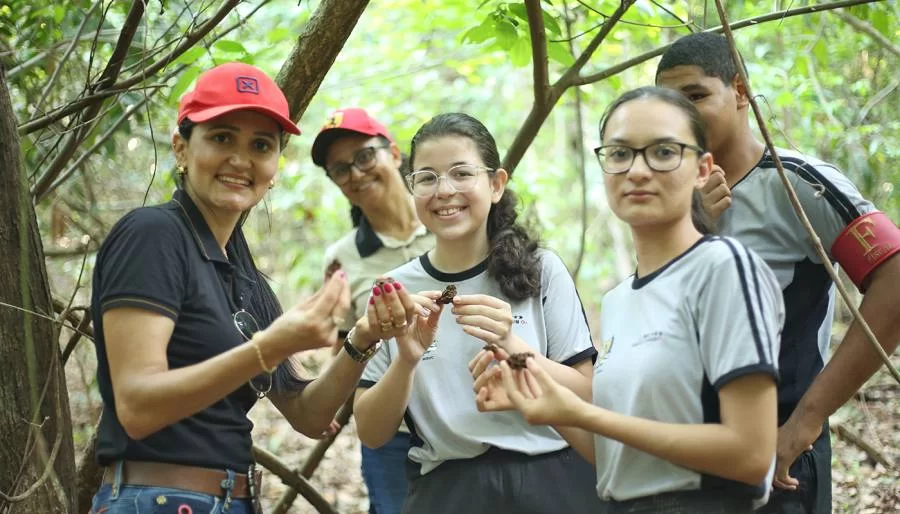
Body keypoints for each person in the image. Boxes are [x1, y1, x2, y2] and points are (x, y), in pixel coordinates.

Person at [88, 63, 386, 514]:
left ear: (274, 168)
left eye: (260, 145)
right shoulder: (152, 235)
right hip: (157, 500)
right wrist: (268, 347)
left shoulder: (243, 275)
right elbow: (136, 405)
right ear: (181, 148)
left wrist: (362, 339)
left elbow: (307, 414)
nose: (241, 160)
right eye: (222, 137)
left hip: (231, 501)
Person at [483, 86, 784, 514]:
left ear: (702, 169)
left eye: (663, 152)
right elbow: (618, 461)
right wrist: (538, 401)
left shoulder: (723, 268)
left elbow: (751, 455)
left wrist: (585, 414)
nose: (637, 171)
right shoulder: (620, 299)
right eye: (620, 154)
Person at [656, 32, 900, 514]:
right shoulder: (669, 201)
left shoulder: (800, 185)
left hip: (779, 453)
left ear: (741, 91)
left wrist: (807, 421)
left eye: (696, 96)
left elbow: (894, 277)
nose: (680, 116)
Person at [353, 113, 602, 514]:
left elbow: (588, 394)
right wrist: (406, 361)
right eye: (428, 178)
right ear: (412, 187)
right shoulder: (395, 287)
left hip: (554, 479)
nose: (444, 190)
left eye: (461, 173)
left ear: (496, 183)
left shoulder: (542, 269)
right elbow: (371, 430)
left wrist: (513, 347)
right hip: (447, 489)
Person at [310, 107, 434, 514]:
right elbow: (346, 340)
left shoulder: (449, 220)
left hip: (471, 413)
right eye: (341, 169)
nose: (357, 174)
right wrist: (327, 398)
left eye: (365, 157)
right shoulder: (341, 259)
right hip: (393, 429)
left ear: (394, 154)